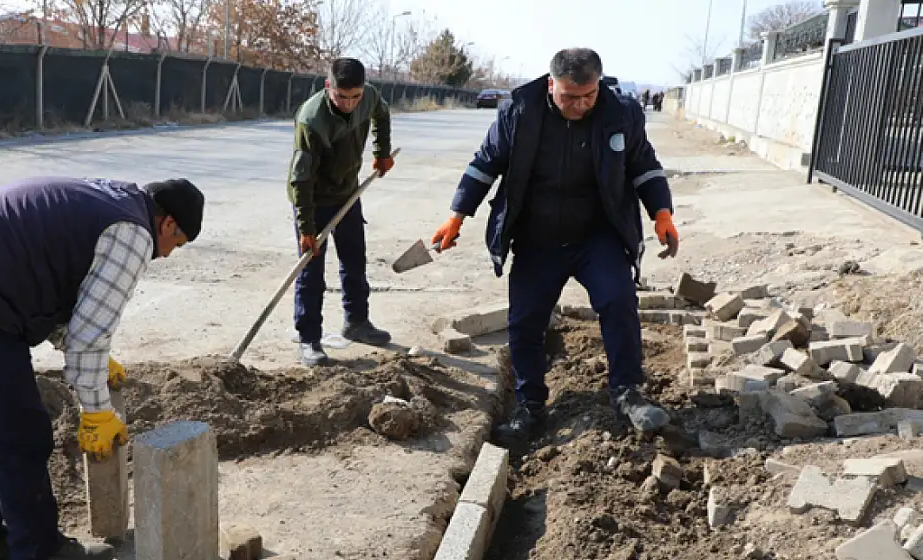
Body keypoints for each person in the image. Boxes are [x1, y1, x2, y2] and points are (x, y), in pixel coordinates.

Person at [0, 176, 204, 560]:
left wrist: (86, 353)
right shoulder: (132, 235)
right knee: (20, 432)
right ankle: (38, 550)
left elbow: (55, 292)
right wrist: (97, 413)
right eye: (176, 245)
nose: (168, 255)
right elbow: (91, 334)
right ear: (168, 225)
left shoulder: (111, 201)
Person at [431, 48, 679, 445]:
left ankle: (627, 393)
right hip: (537, 237)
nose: (580, 105)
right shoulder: (520, 111)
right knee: (525, 321)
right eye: (569, 97)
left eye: (588, 96)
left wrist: (661, 213)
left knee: (618, 301)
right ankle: (530, 406)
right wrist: (458, 214)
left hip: (598, 235)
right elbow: (486, 162)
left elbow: (643, 165)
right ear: (551, 85)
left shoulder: (622, 113)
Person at [287, 57, 394, 366]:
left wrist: (382, 152)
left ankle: (357, 322)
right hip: (313, 198)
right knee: (311, 271)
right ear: (328, 87)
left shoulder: (368, 97)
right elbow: (301, 179)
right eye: (341, 97)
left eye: (355, 97)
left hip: (347, 192)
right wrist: (307, 228)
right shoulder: (312, 120)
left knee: (354, 259)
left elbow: (382, 113)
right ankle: (309, 340)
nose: (349, 104)